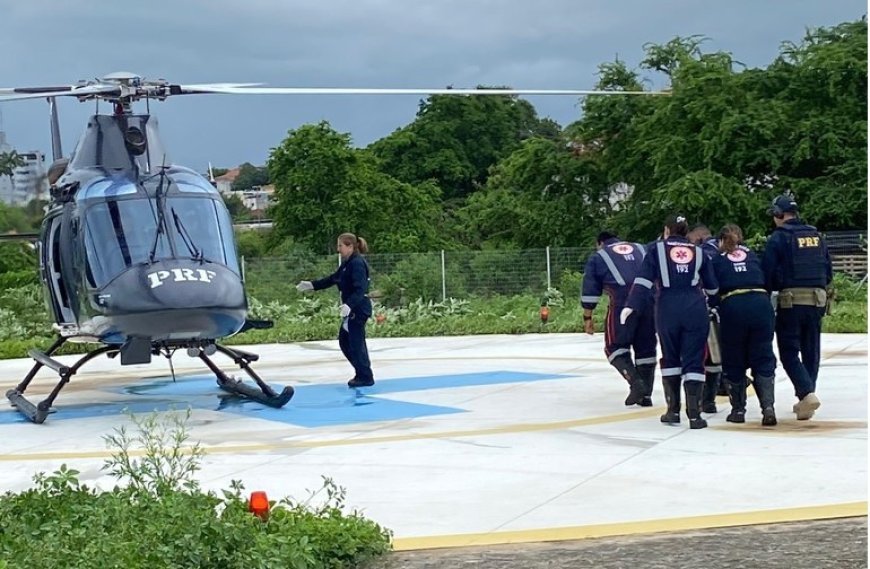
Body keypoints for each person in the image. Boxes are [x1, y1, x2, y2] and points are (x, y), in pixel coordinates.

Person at [623, 215, 719, 429]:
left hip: (667, 307)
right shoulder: (700, 252)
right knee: (695, 359)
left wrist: (631, 305)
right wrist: (715, 305)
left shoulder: (655, 250)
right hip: (695, 307)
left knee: (670, 358)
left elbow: (643, 281)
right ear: (686, 232)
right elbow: (712, 287)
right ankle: (695, 415)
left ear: (667, 230)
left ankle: (672, 411)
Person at [762, 194, 832, 420]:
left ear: (778, 215)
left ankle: (806, 393)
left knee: (790, 352)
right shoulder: (816, 236)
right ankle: (806, 398)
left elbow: (768, 274)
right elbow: (828, 272)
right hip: (817, 302)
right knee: (811, 352)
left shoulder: (779, 238)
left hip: (790, 303)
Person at [711, 224, 778, 426]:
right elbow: (768, 278)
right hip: (761, 305)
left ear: (721, 241)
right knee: (763, 355)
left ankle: (738, 410)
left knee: (734, 357)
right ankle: (768, 408)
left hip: (733, 306)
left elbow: (712, 288)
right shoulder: (753, 255)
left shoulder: (717, 259)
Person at [581, 231, 657, 406]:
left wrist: (587, 317)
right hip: (649, 301)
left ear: (600, 243)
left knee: (614, 347)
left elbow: (590, 290)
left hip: (622, 302)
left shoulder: (599, 256)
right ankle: (646, 396)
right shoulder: (640, 248)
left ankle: (635, 382)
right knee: (646, 349)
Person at [297, 233, 374, 388]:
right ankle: (362, 373)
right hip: (351, 310)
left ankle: (365, 376)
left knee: (355, 343)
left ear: (350, 246)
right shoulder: (348, 263)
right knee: (346, 342)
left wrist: (350, 304)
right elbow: (333, 279)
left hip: (357, 310)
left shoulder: (357, 263)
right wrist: (312, 285)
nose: (338, 249)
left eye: (340, 246)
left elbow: (361, 289)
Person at [687, 224, 726, 412]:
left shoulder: (701, 252)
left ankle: (705, 400)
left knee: (704, 356)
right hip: (728, 306)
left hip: (704, 307)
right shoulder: (726, 250)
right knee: (717, 356)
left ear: (700, 236)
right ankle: (711, 399)